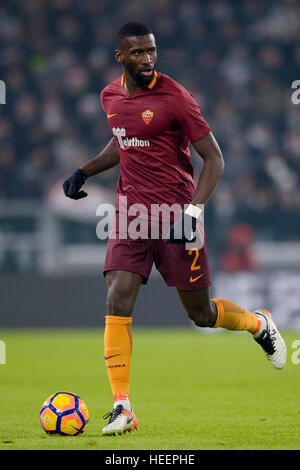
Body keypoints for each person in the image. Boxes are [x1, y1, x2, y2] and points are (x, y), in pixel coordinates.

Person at [63, 22, 287, 436]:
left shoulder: (175, 97)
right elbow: (124, 138)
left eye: (151, 51)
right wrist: (85, 170)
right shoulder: (109, 96)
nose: (147, 59)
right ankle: (122, 406)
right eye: (138, 53)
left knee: (200, 314)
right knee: (118, 297)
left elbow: (214, 159)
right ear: (120, 58)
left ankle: (259, 324)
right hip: (130, 215)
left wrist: (194, 211)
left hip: (176, 216)